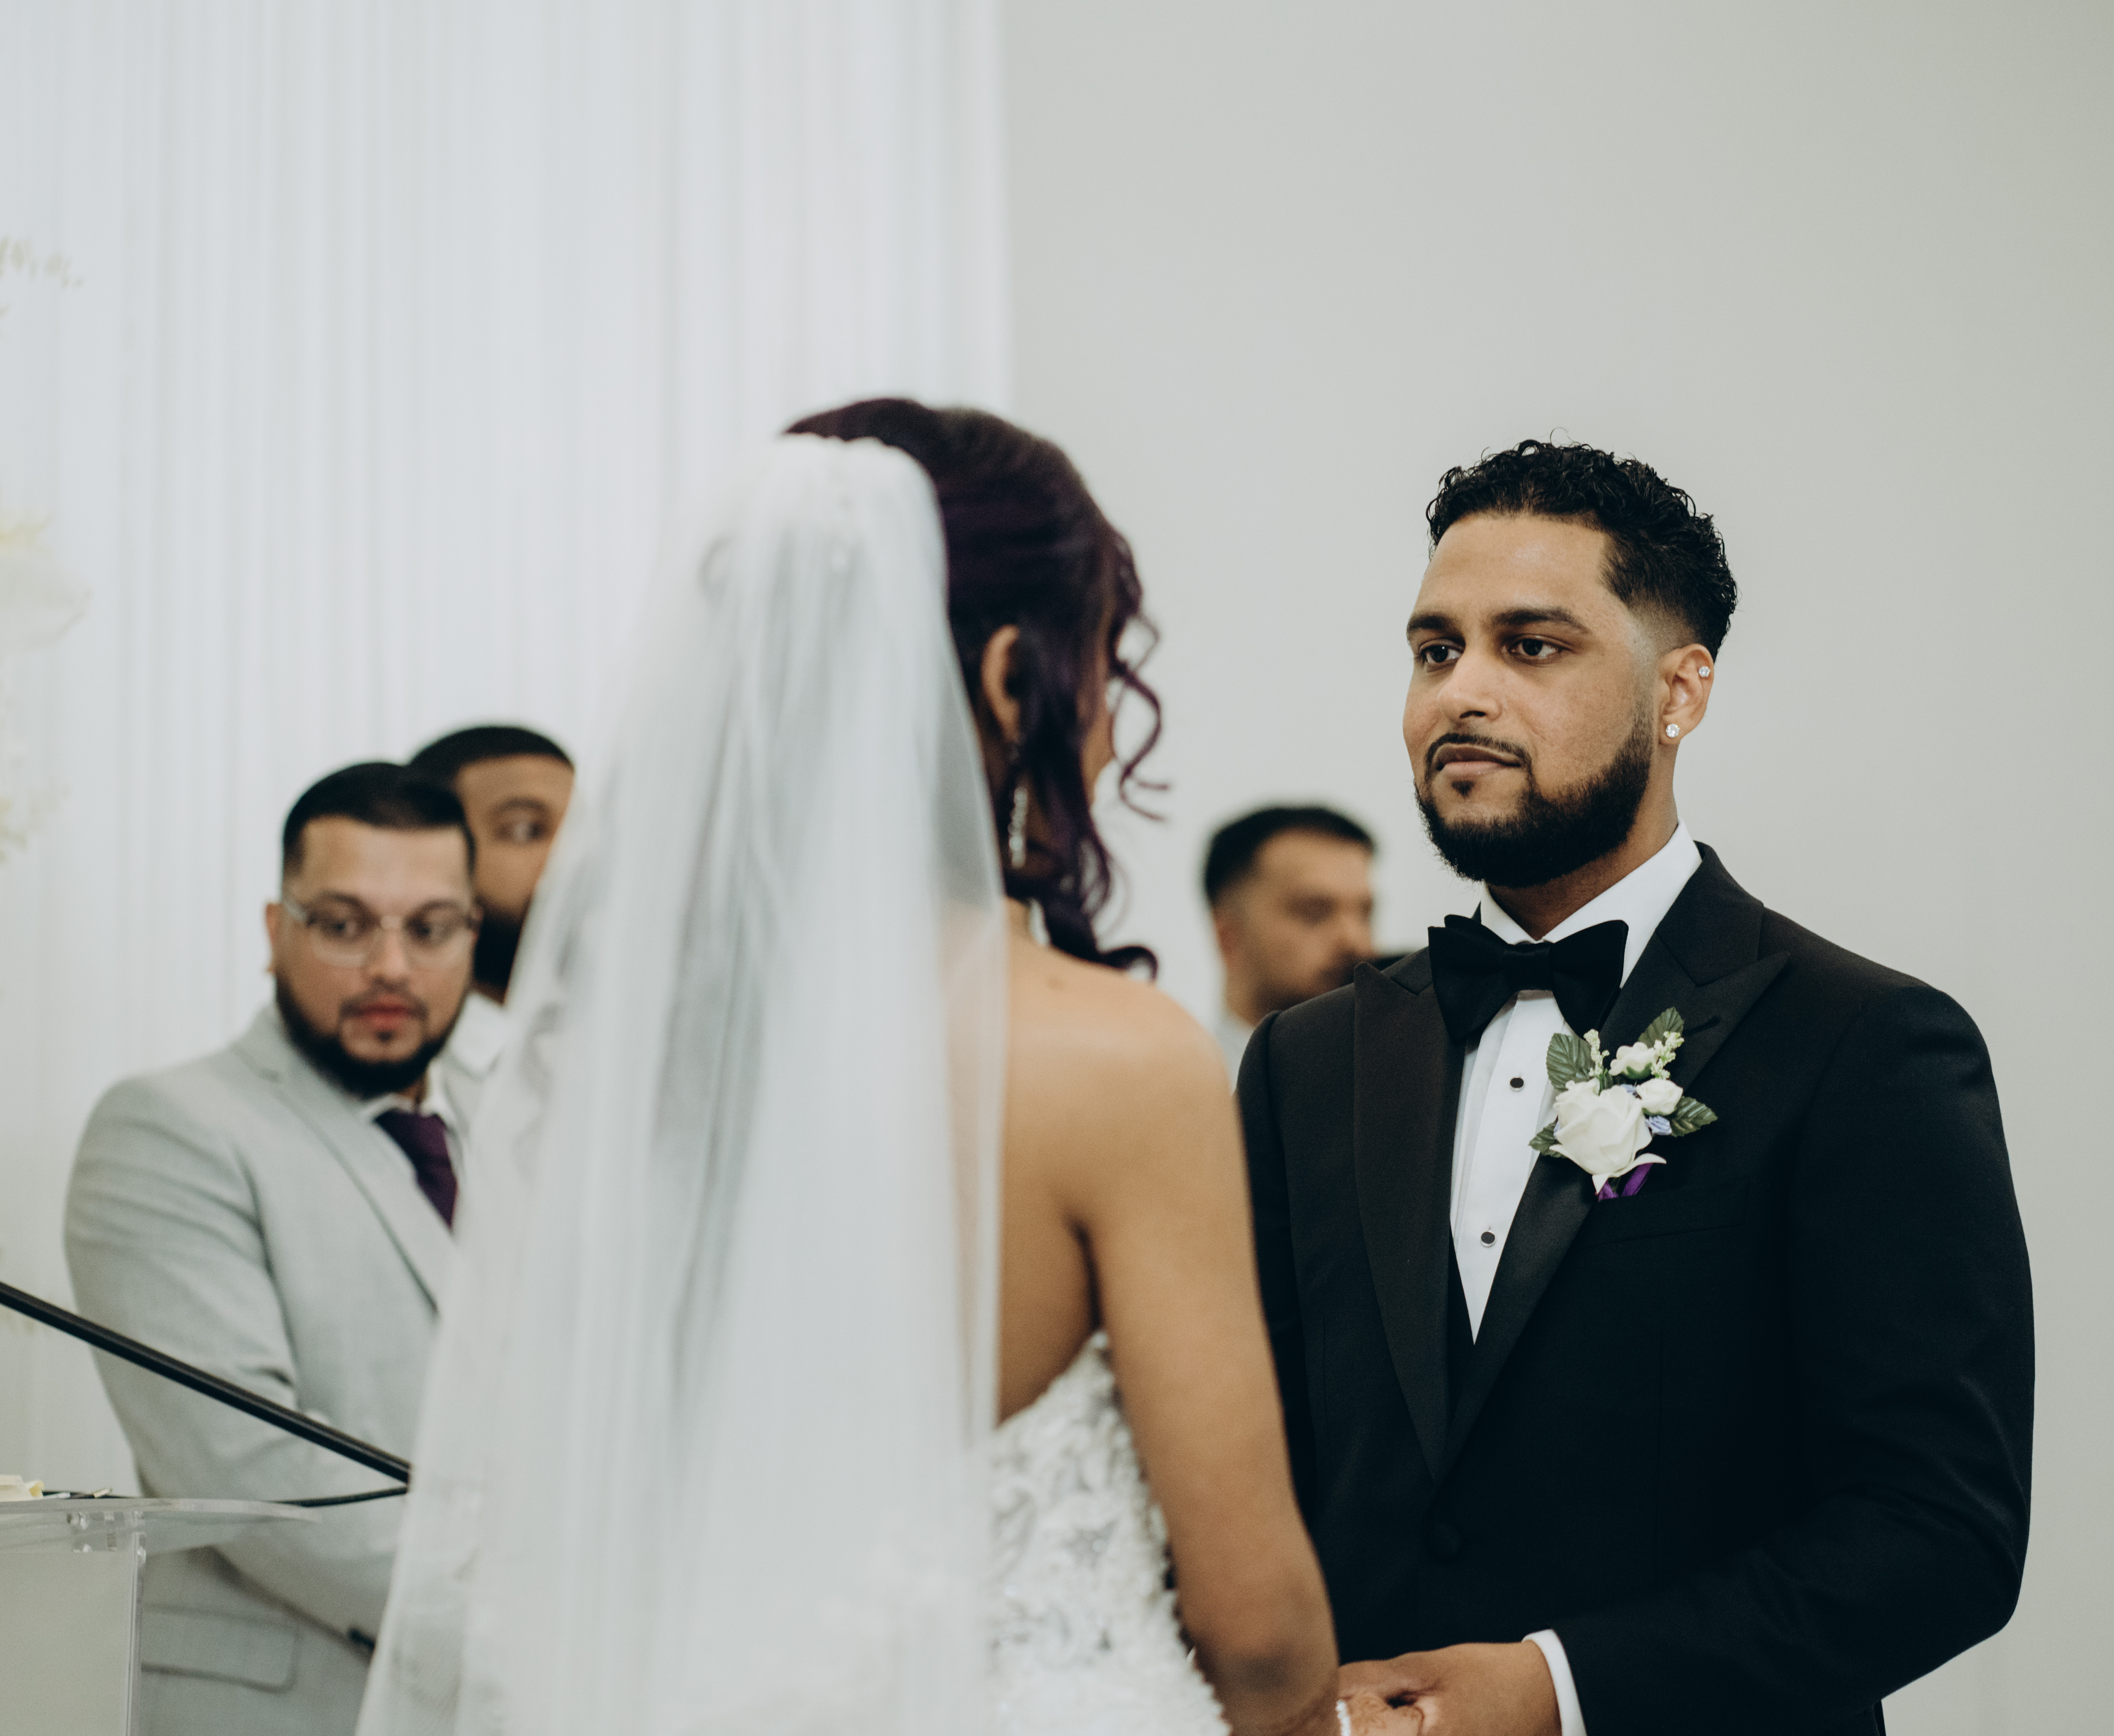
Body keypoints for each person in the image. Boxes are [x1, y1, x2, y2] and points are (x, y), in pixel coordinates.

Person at [360, 408, 1424, 1736]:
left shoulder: (612, 1061)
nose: (1106, 727)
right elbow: (1255, 1623)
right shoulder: (1114, 1059)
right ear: (1009, 678)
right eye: (1102, 663)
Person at [1241, 440, 2033, 1735]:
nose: (1463, 692)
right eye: (1436, 649)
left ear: (1680, 691)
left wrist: (1557, 1686)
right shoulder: (1306, 1060)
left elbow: (1939, 1532)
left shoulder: (1864, 1043)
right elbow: (1254, 1466)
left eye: (1531, 645)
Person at [66, 763, 481, 1736]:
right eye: (344, 924)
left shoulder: (521, 1134)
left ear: (473, 933)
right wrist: (538, 1624)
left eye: (429, 928)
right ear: (274, 929)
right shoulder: (170, 1126)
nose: (390, 966)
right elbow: (249, 1470)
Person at [407, 725, 575, 1120]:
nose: (570, 859)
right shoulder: (405, 1075)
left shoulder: (626, 1044)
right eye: (526, 831)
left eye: (581, 832)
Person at [1203, 806, 1378, 1075]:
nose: (1355, 941)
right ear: (1228, 936)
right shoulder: (1182, 1091)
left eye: (1365, 915)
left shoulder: (1399, 1079)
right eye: (1314, 913)